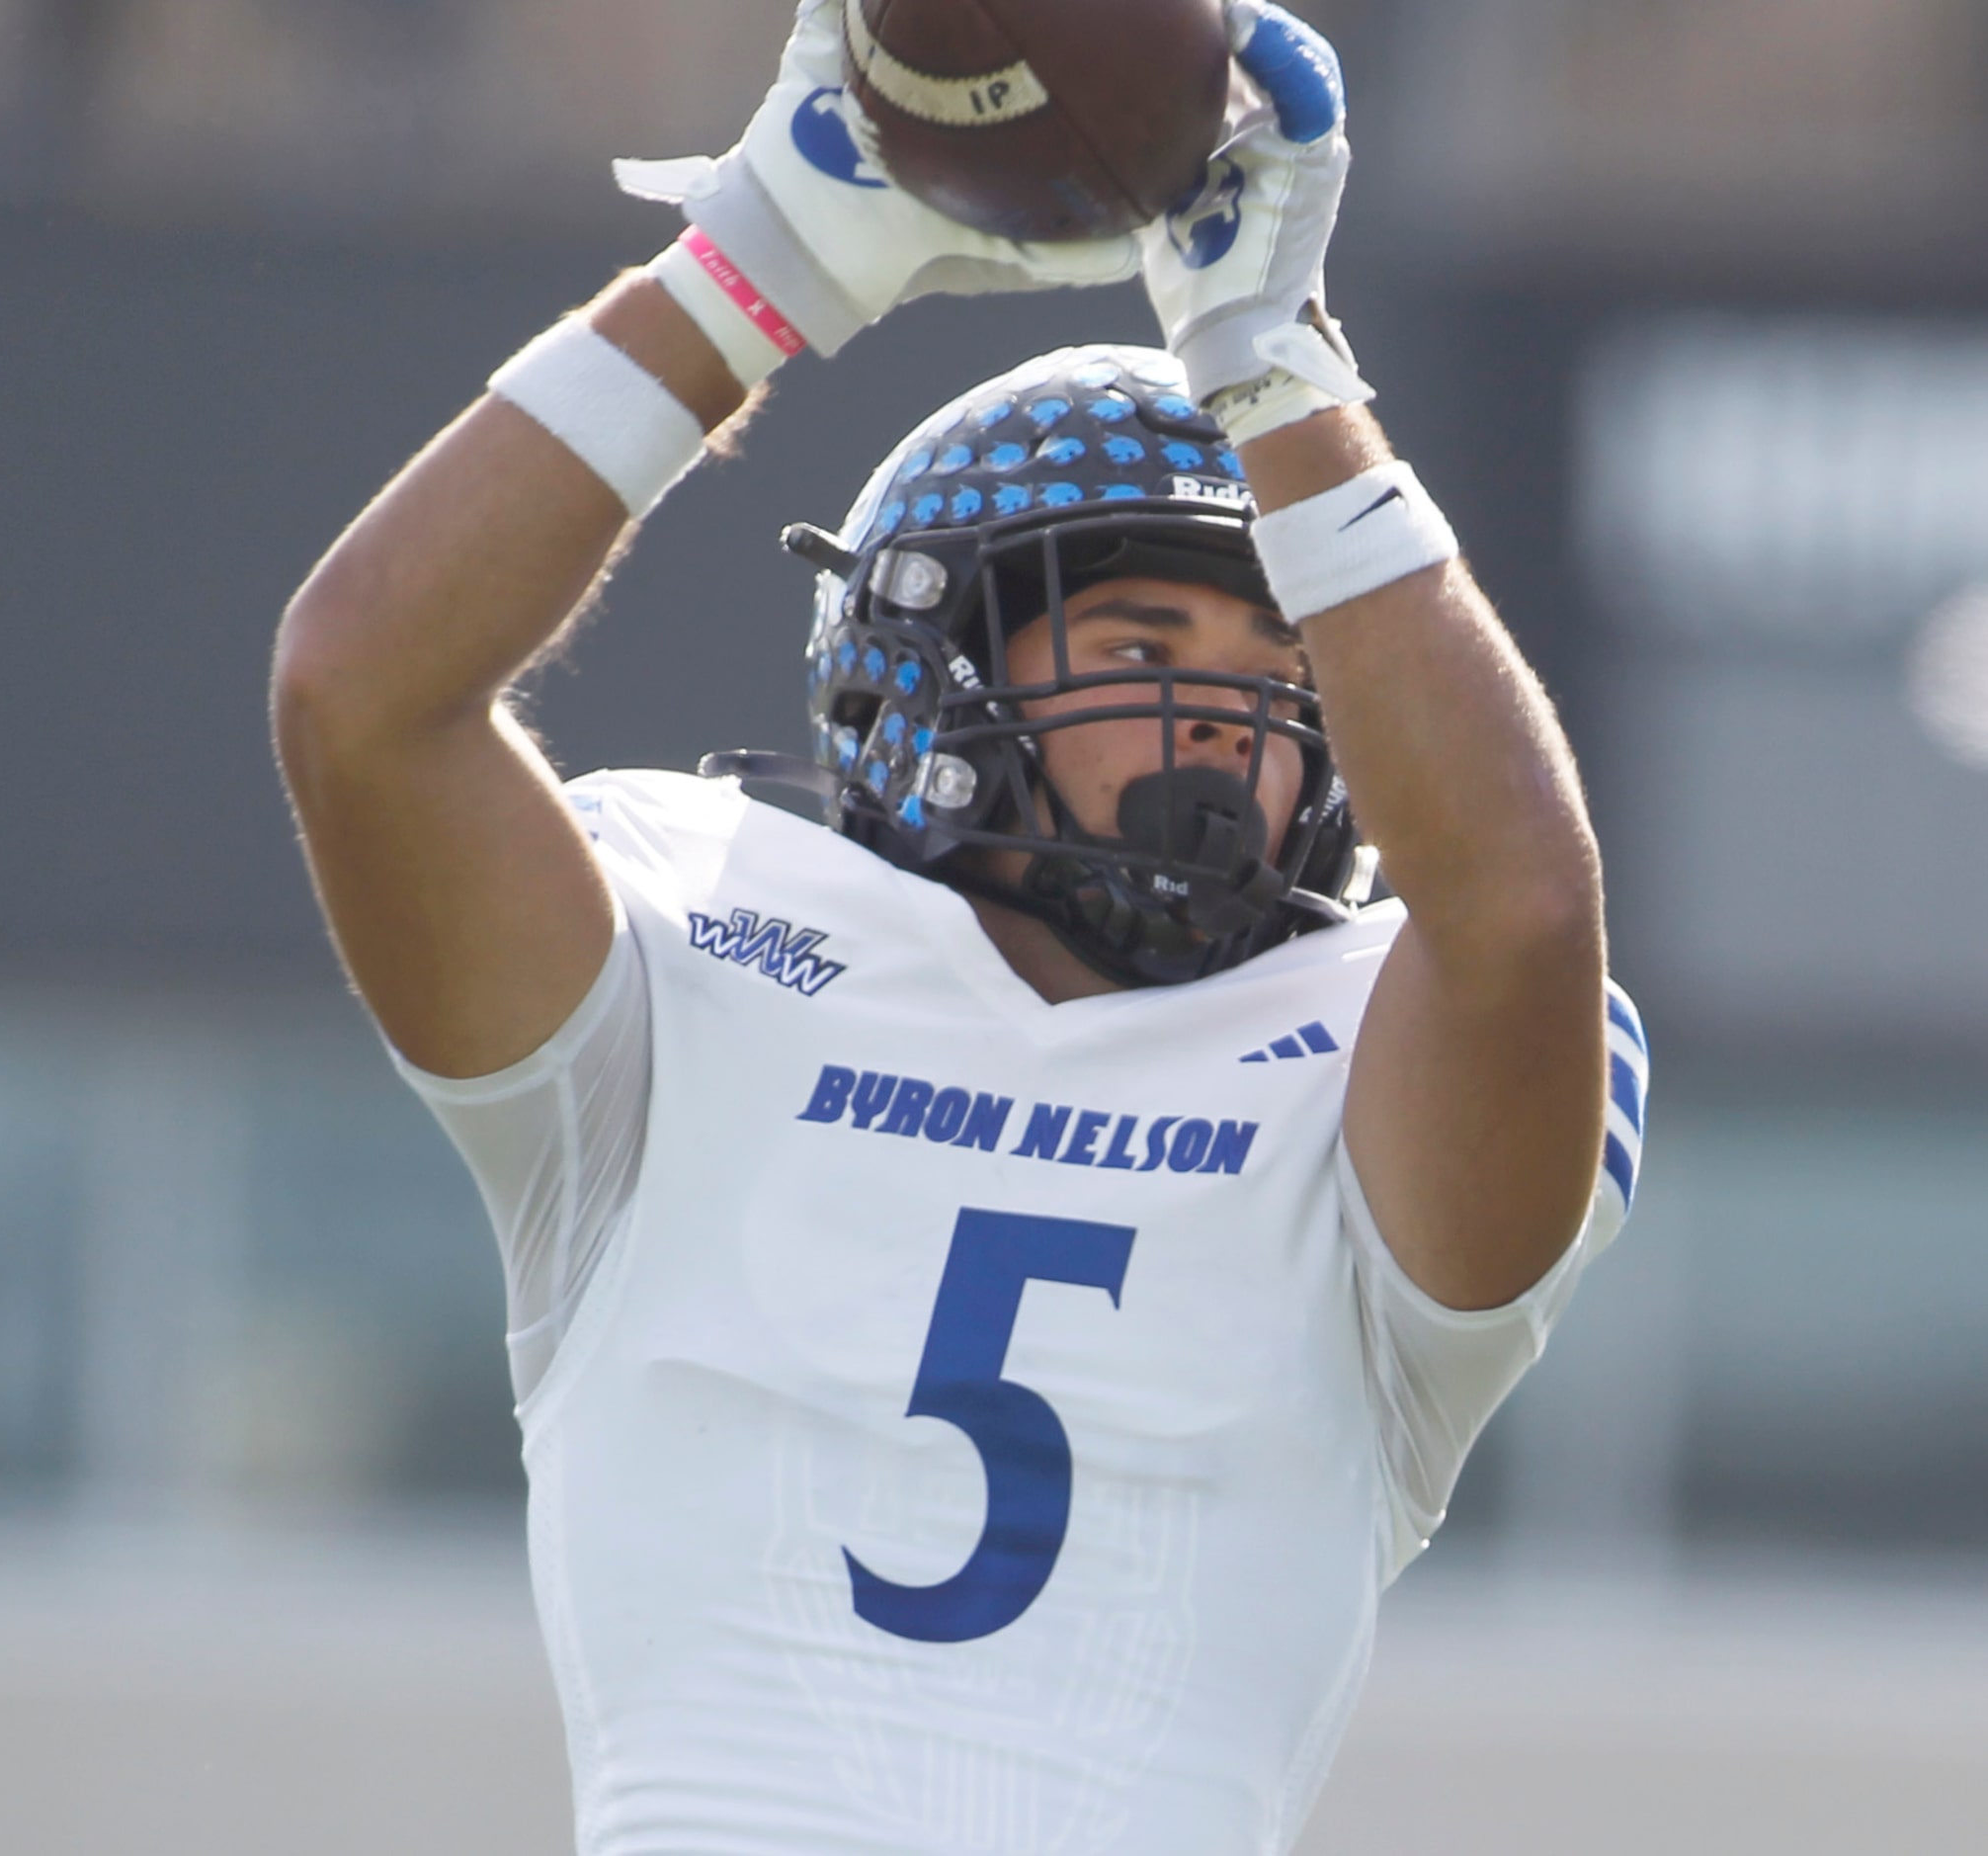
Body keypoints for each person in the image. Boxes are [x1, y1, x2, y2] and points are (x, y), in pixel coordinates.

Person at [273, 2, 1648, 1849]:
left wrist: (1277, 370)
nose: (1222, 727)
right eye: (1143, 646)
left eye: (1282, 664)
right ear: (927, 668)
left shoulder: (1365, 1037)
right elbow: (360, 696)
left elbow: (1522, 912)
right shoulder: (697, 944)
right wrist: (751, 263)